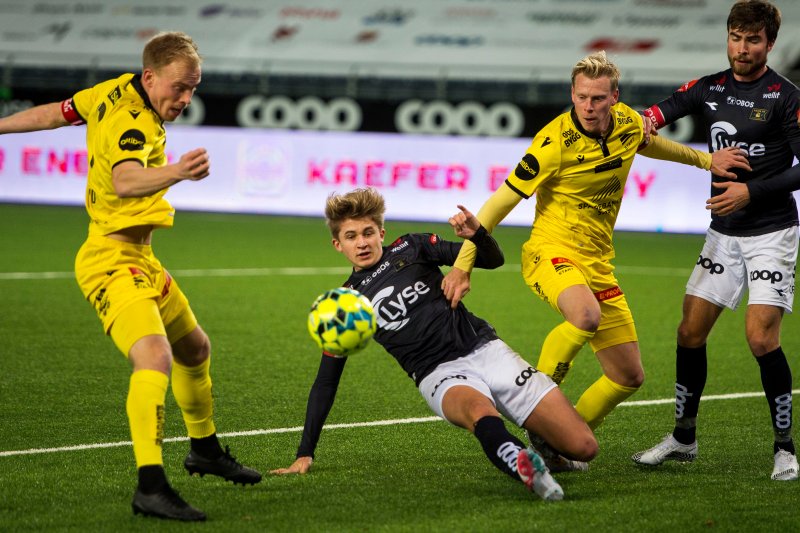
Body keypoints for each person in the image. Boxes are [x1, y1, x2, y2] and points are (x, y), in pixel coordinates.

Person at [0, 31, 262, 520]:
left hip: (142, 260)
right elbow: (125, 179)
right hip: (110, 261)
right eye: (179, 87)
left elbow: (55, 112)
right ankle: (151, 484)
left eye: (193, 88)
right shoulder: (133, 121)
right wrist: (178, 172)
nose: (185, 99)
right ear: (150, 77)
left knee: (194, 348)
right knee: (155, 355)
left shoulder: (111, 89)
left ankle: (204, 450)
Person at [440, 50, 751, 452]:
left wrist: (706, 160)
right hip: (550, 252)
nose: (589, 106)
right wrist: (464, 266)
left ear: (614, 97)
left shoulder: (626, 123)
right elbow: (498, 204)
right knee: (585, 314)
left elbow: (651, 144)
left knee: (628, 376)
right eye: (583, 96)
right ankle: (536, 405)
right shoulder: (551, 144)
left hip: (597, 263)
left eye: (599, 98)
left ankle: (557, 443)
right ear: (572, 93)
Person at [270, 187, 598, 501]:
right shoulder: (347, 304)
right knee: (478, 411)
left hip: (485, 348)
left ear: (382, 233)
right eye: (351, 236)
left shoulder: (413, 247)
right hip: (439, 375)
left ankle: (543, 446)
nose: (362, 243)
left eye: (368, 232)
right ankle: (522, 464)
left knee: (584, 448)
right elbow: (326, 381)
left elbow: (491, 259)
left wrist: (477, 234)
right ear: (337, 244)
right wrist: (304, 453)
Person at [632, 0, 800, 481]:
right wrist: (644, 121)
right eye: (735, 37)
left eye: (752, 40)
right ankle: (684, 439)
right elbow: (661, 111)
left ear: (769, 44)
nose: (741, 48)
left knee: (760, 337)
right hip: (723, 233)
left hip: (772, 232)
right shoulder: (709, 89)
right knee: (689, 332)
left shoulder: (785, 97)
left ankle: (785, 448)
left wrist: (751, 190)